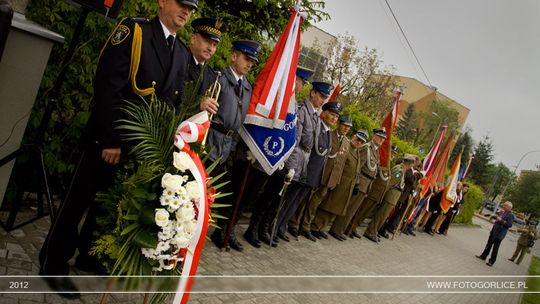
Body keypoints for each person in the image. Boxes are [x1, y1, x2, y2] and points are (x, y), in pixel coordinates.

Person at [38, 0, 198, 298]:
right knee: (77, 202)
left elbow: (170, 106)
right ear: (162, 1)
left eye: (191, 8)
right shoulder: (134, 31)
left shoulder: (181, 52)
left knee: (107, 206)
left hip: (139, 150)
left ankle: (89, 255)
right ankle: (53, 264)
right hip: (107, 141)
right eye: (181, 3)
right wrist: (110, 139)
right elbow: (108, 86)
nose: (186, 11)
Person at [241, 66, 315, 248]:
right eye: (299, 81)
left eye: (303, 83)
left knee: (273, 198)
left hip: (285, 160)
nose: (301, 86)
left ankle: (262, 228)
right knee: (264, 195)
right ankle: (253, 228)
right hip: (274, 155)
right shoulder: (285, 101)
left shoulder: (293, 105)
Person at [256, 81, 333, 245]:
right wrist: (291, 166)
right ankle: (259, 228)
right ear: (312, 93)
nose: (322, 100)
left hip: (303, 162)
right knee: (275, 197)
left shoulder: (314, 116)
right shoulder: (301, 111)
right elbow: (295, 141)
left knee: (280, 200)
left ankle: (267, 228)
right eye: (321, 96)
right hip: (295, 159)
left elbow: (310, 145)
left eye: (325, 97)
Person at [207, 39, 262, 251]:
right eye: (246, 59)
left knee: (224, 193)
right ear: (233, 56)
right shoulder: (220, 79)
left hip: (231, 147)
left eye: (252, 62)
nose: (249, 64)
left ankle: (221, 232)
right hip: (213, 142)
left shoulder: (247, 87)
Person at [278, 101, 341, 242]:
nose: (334, 118)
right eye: (332, 114)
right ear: (323, 113)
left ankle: (282, 226)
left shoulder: (328, 132)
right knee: (288, 201)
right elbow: (308, 149)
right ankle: (275, 226)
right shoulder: (317, 128)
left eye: (336, 116)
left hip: (313, 175)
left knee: (296, 203)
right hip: (304, 171)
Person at [292, 115, 352, 241]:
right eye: (344, 125)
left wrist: (337, 180)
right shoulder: (330, 135)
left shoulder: (347, 142)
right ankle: (293, 223)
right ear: (338, 124)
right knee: (305, 200)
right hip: (320, 174)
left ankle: (305, 226)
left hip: (330, 179)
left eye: (349, 127)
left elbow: (342, 164)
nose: (346, 129)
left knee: (314, 204)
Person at [310, 130, 369, 239]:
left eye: (361, 142)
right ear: (354, 136)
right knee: (328, 206)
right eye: (358, 139)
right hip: (340, 183)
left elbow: (356, 170)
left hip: (347, 186)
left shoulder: (356, 151)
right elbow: (338, 165)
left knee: (335, 209)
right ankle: (315, 226)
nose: (358, 142)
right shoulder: (346, 147)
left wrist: (356, 184)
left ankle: (321, 227)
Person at [330, 128, 385, 240]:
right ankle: (337, 229)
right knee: (349, 208)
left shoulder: (375, 150)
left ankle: (344, 229)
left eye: (383, 138)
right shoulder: (366, 148)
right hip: (361, 182)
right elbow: (358, 166)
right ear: (374, 136)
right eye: (379, 137)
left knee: (353, 210)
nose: (381, 140)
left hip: (366, 184)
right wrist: (357, 182)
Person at [364, 154, 416, 243]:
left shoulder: (402, 170)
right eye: (412, 164)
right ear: (410, 164)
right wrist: (383, 195)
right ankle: (370, 231)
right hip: (390, 197)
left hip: (392, 197)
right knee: (381, 215)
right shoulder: (399, 170)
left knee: (383, 216)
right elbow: (390, 184)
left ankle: (373, 231)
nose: (412, 166)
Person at [186, 17, 226, 96]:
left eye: (214, 45)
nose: (210, 48)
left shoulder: (212, 75)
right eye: (207, 42)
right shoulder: (178, 59)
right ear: (193, 39)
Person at [476, 201, 515, 266]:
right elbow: (498, 217)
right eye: (504, 205)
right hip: (494, 231)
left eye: (505, 205)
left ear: (509, 207)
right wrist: (493, 217)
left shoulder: (511, 215)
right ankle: (483, 256)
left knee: (495, 248)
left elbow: (509, 225)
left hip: (500, 234)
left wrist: (501, 220)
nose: (503, 206)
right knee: (489, 244)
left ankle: (491, 261)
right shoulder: (503, 212)